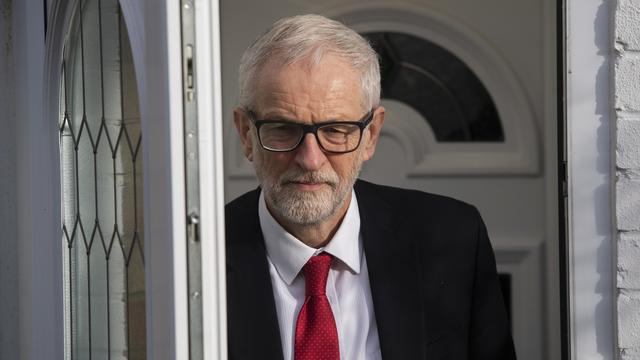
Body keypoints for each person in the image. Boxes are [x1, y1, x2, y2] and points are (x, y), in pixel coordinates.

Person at [225, 14, 516, 360]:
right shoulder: (196, 260)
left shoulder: (454, 240)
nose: (310, 159)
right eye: (283, 129)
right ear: (246, 133)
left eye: (335, 130)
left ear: (371, 135)